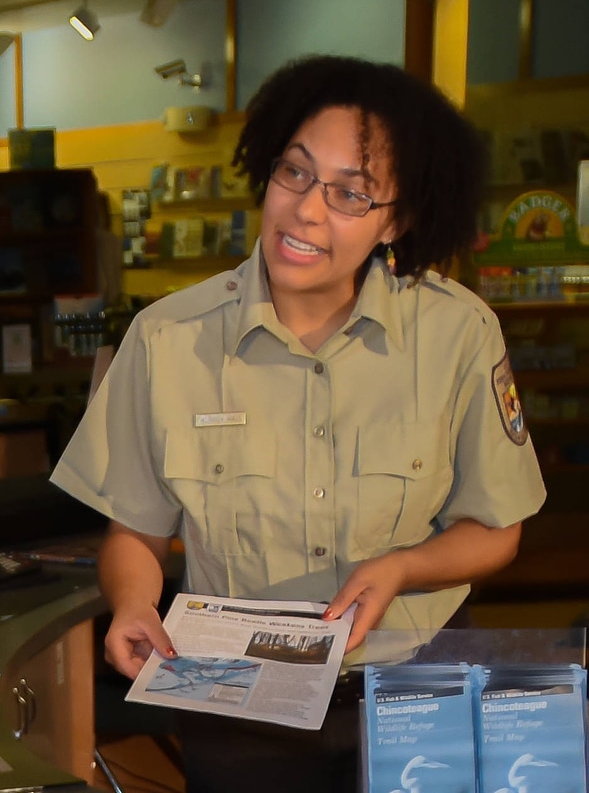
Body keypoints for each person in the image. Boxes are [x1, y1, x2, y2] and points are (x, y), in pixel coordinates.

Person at [50, 54, 546, 793]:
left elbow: (496, 527)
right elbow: (135, 531)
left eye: (352, 193)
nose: (308, 210)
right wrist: (131, 601)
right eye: (295, 173)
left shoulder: (456, 333)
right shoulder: (167, 337)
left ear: (397, 221)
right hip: (238, 704)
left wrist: (402, 567)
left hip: (418, 687)